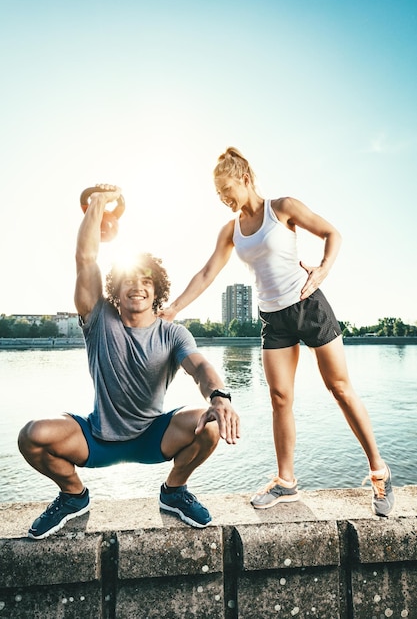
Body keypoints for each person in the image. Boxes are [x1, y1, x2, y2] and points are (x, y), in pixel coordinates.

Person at [160, 147, 394, 517]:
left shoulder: (282, 207)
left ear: (245, 178)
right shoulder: (231, 231)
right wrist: (174, 308)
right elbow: (207, 273)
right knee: (280, 398)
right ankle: (286, 482)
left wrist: (323, 269)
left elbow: (332, 233)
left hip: (309, 305)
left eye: (227, 190)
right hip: (274, 318)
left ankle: (380, 473)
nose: (224, 199)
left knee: (340, 389)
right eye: (218, 195)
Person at [18, 184, 240, 540]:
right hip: (97, 436)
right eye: (128, 281)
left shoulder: (172, 333)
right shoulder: (98, 317)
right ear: (115, 290)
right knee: (32, 436)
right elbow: (85, 259)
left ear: (157, 290)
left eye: (145, 281)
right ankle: (73, 495)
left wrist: (218, 397)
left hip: (154, 436)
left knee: (210, 426)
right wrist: (97, 203)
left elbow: (200, 368)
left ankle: (174, 492)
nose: (137, 286)